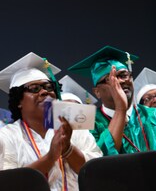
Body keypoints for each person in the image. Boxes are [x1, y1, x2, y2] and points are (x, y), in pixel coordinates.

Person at [67, 45, 156, 187]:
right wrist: (120, 109)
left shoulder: (154, 114)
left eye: (124, 75)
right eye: (110, 79)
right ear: (97, 92)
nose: (121, 81)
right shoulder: (88, 120)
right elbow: (98, 163)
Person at [0, 52, 102, 191]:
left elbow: (96, 173)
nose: (44, 92)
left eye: (49, 87)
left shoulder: (75, 128)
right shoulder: (6, 136)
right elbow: (8, 184)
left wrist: (68, 149)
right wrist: (50, 157)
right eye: (34, 89)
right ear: (18, 101)